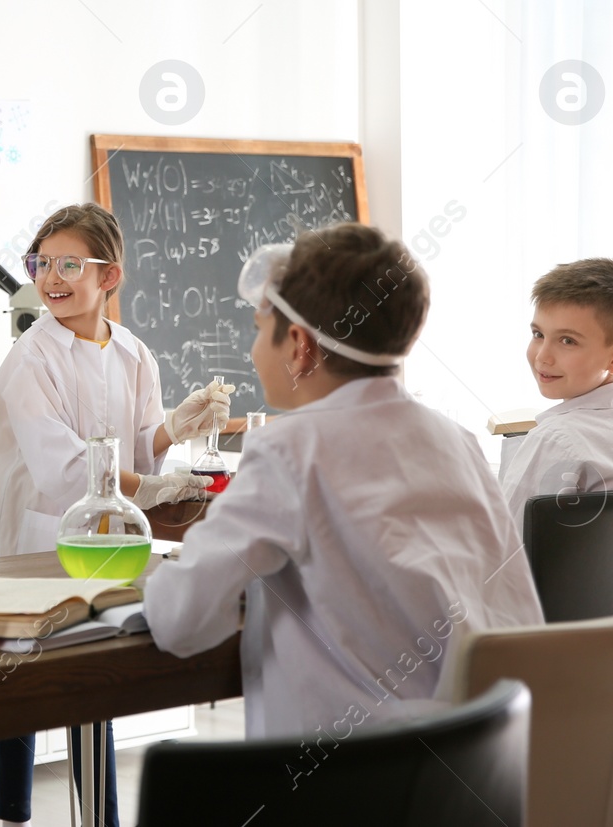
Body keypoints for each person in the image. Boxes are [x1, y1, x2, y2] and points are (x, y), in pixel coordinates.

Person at [144, 223, 543, 742]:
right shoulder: (456, 440)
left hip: (359, 780)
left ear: (299, 345)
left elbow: (181, 621)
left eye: (257, 326)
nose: (250, 349)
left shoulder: (289, 450)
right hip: (490, 767)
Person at [0, 202, 225, 827]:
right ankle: (14, 814)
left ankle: (102, 816)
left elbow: (139, 438)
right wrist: (151, 485)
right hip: (35, 540)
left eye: (69, 264)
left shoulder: (134, 353)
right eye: (41, 264)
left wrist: (175, 428)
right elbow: (67, 468)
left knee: (90, 681)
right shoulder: (30, 359)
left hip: (104, 542)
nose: (50, 278)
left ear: (108, 276)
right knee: (20, 688)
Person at [499, 258, 613, 525]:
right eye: (538, 334)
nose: (542, 357)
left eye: (567, 341)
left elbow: (500, 552)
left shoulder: (553, 440)